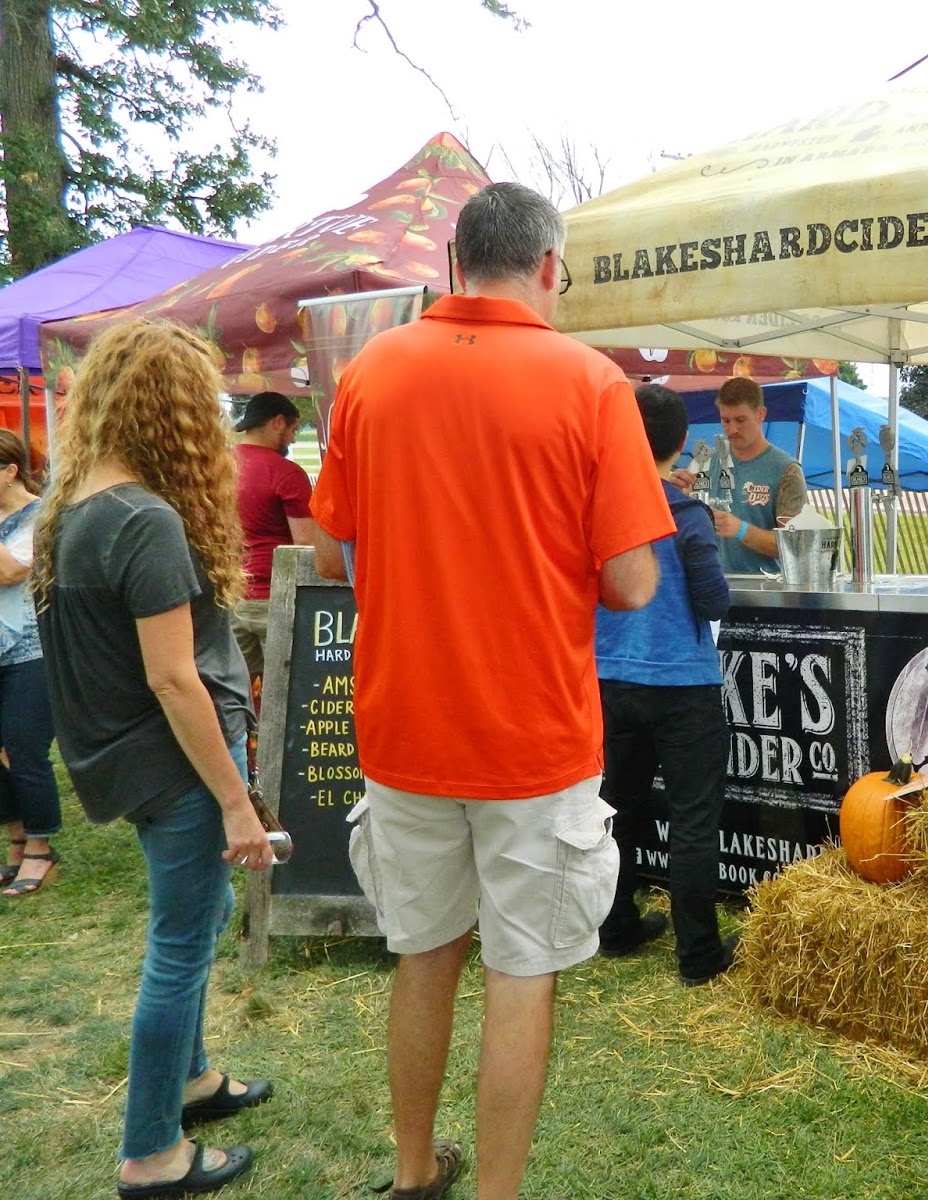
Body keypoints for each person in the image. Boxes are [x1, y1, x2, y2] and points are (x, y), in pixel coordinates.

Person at [309, 181, 673, 1200]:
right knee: (522, 970)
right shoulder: (589, 383)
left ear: (458, 265)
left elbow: (337, 550)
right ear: (550, 268)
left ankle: (414, 1173)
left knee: (423, 956)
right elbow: (635, 582)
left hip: (403, 726)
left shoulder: (373, 372)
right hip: (531, 736)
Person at [30, 320, 273, 1198]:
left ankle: (194, 1079)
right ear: (170, 413)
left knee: (197, 923)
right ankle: (150, 1153)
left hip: (127, 766)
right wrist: (238, 803)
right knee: (180, 945)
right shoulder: (145, 520)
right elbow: (175, 683)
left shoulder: (71, 513)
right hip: (176, 768)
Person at [595, 384, 737, 987]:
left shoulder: (596, 505)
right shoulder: (688, 515)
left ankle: (616, 925)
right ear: (683, 443)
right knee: (693, 818)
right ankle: (698, 954)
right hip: (683, 682)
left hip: (609, 676)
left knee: (615, 810)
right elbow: (712, 598)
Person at [0, 430, 62, 897]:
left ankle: (41, 849)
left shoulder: (42, 516)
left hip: (30, 652)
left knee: (25, 749)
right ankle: (16, 840)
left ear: (10, 470)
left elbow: (12, 570)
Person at [230, 391, 315, 686]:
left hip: (228, 596)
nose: (292, 440)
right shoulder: (287, 473)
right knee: (283, 689)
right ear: (278, 422)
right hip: (273, 599)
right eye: (292, 430)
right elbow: (305, 542)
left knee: (239, 690)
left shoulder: (215, 466)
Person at [708, 376, 806, 574]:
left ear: (761, 414)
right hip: (716, 588)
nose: (732, 429)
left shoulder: (787, 470)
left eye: (740, 420)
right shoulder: (709, 461)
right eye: (725, 420)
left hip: (767, 593)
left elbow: (793, 545)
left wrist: (741, 530)